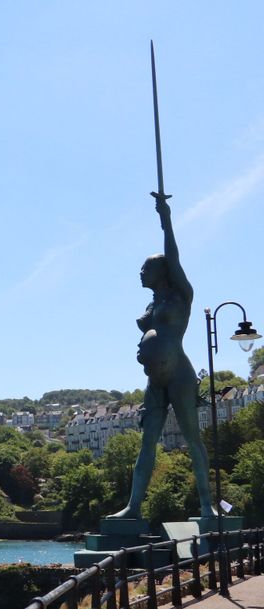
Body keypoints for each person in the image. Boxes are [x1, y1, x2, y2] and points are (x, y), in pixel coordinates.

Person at [108, 194, 213, 519]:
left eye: (146, 267)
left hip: (179, 375)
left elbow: (173, 255)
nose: (140, 272)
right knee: (146, 444)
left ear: (162, 271)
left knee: (193, 440)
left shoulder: (181, 295)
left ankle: (207, 506)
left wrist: (165, 219)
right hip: (155, 381)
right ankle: (133, 507)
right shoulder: (152, 304)